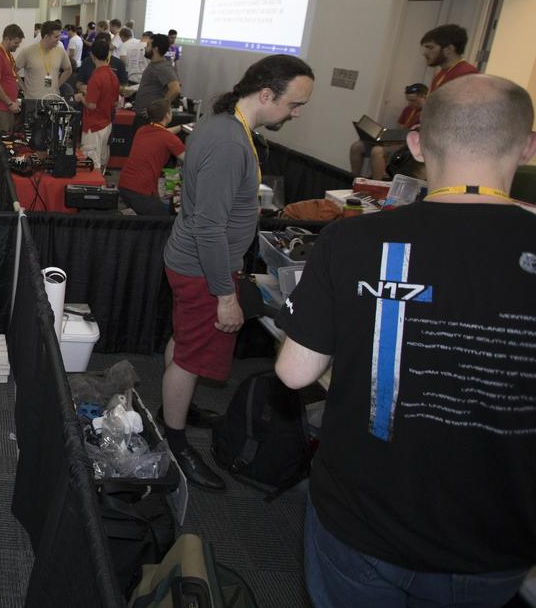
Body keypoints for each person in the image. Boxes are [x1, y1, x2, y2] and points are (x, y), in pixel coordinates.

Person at [275, 75, 536, 608]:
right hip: (499, 538)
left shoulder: (354, 239)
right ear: (529, 146)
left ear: (415, 145)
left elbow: (294, 373)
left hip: (366, 521)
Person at [161, 54, 315, 491]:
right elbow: (209, 226)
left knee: (184, 342)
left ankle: (177, 408)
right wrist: (224, 294)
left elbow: (199, 205)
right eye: (294, 104)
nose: (297, 112)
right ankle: (175, 442)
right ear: (265, 94)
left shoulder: (224, 123)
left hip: (192, 262)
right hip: (202, 270)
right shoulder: (230, 142)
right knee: (191, 357)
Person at [119, 99, 186, 215]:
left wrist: (181, 127)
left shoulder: (142, 130)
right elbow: (189, 160)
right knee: (163, 222)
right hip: (141, 191)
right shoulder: (170, 139)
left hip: (124, 185)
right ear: (167, 115)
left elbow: (162, 132)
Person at [348, 83, 427, 178]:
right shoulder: (408, 109)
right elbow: (400, 129)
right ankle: (353, 180)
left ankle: (376, 184)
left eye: (413, 101)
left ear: (424, 96)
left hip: (409, 146)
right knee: (356, 146)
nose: (410, 104)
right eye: (408, 100)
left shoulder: (429, 112)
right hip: (398, 140)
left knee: (377, 151)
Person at [77, 39, 119, 170]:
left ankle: (92, 189)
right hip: (106, 124)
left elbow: (91, 105)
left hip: (93, 126)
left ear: (92, 55)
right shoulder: (113, 75)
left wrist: (81, 97)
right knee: (101, 160)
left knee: (91, 166)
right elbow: (115, 102)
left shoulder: (96, 77)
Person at [0, 24, 24, 138]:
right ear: (7, 39)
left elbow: (13, 76)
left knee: (3, 145)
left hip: (6, 107)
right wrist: (10, 103)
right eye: (16, 43)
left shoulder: (8, 55)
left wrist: (25, 91)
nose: (17, 46)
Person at [16, 21, 72, 99]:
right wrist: (24, 88)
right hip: (32, 100)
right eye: (56, 37)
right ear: (46, 37)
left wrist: (57, 85)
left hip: (53, 99)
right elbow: (12, 71)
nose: (58, 40)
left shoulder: (60, 51)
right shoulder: (28, 51)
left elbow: (68, 69)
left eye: (59, 36)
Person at [421, 23, 479, 92]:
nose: (424, 53)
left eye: (430, 48)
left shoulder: (466, 74)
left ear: (449, 49)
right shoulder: (442, 73)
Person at [133, 34, 182, 112]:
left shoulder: (163, 67)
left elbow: (175, 89)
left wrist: (159, 109)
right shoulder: (154, 63)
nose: (145, 47)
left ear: (155, 49)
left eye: (148, 45)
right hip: (142, 112)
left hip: (151, 116)